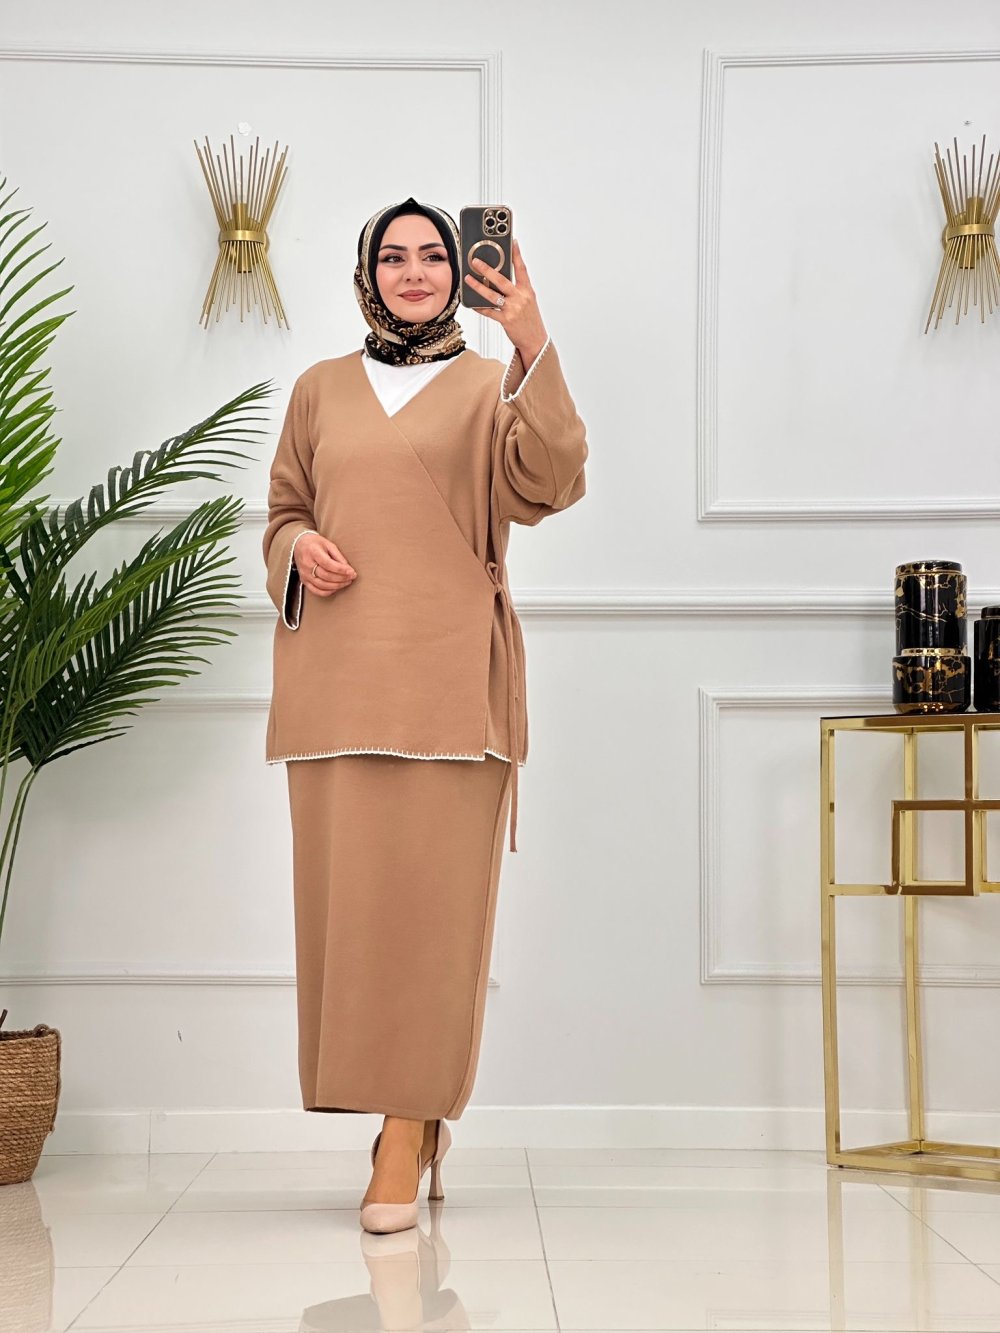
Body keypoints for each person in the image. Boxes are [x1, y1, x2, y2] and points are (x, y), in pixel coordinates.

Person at [262, 196, 588, 1233]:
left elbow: (551, 480)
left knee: (436, 924)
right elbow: (282, 511)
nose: (414, 272)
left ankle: (407, 1130)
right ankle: (403, 1118)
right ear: (368, 274)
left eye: (434, 255)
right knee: (353, 923)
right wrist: (296, 549)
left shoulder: (493, 385)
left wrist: (529, 335)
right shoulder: (318, 389)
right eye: (394, 256)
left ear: (461, 271)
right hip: (336, 686)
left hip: (452, 682)